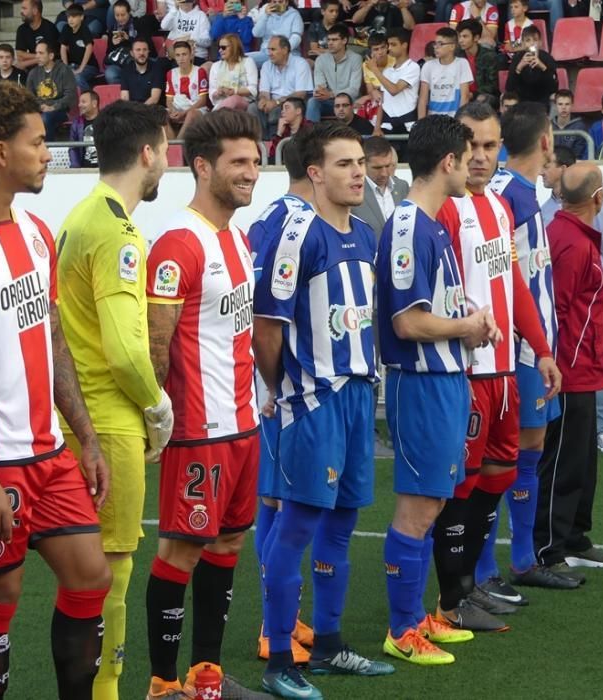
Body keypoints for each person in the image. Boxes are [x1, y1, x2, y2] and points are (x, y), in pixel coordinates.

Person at [0, 80, 112, 700]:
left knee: (89, 577)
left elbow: (54, 342)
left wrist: (86, 438)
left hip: (49, 453)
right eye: (37, 142)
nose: (48, 153)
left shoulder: (38, 232)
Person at [254, 122, 396, 700]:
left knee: (340, 527)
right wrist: (284, 387)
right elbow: (266, 328)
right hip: (312, 401)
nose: (358, 172)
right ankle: (280, 658)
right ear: (315, 172)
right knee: (296, 528)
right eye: (344, 164)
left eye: (360, 161)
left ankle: (331, 643)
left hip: (360, 396)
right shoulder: (297, 234)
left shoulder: (364, 233)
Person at [144, 109, 266, 700]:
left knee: (228, 543)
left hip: (243, 425)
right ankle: (164, 685)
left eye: (255, 159)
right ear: (201, 166)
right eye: (238, 162)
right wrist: (160, 422)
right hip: (198, 430)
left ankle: (206, 677)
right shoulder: (178, 244)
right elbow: (155, 343)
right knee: (181, 549)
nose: (251, 171)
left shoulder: (237, 238)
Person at [57, 99, 172, 700]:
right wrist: (158, 406)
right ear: (147, 153)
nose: (165, 167)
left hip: (77, 414)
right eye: (165, 153)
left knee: (85, 573)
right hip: (112, 420)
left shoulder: (80, 214)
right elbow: (126, 350)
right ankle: (105, 691)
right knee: (112, 573)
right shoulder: (117, 230)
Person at [433, 101, 561, 631]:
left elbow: (515, 288)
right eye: (472, 144)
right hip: (465, 372)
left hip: (505, 371)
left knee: (499, 475)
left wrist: (543, 349)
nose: (480, 156)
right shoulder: (444, 209)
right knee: (460, 485)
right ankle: (453, 595)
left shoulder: (500, 208)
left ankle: (476, 580)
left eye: (490, 145)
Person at [378, 114, 495, 667]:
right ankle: (401, 629)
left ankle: (418, 615)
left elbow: (436, 309)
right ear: (447, 162)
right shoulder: (408, 227)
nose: (474, 163)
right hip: (422, 385)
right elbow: (408, 323)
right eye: (468, 154)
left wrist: (472, 316)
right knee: (419, 507)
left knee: (434, 501)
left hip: (447, 381)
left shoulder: (433, 225)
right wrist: (466, 329)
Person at [480, 103, 582, 594]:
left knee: (526, 452)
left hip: (531, 350)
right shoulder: (508, 199)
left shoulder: (523, 195)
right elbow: (504, 284)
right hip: (514, 354)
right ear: (545, 142)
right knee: (503, 456)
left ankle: (520, 560)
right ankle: (491, 568)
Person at [247, 138, 315, 668]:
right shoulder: (292, 224)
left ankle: (284, 617)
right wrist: (270, 384)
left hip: (278, 381)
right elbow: (266, 316)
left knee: (279, 498)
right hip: (281, 384)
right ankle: (273, 628)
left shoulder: (271, 217)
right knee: (275, 500)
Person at [534, 162, 603, 576]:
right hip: (571, 370)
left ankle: (575, 537)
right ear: (598, 197)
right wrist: (563, 366)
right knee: (564, 460)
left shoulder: (573, 236)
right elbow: (560, 312)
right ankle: (551, 546)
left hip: (584, 366)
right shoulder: (572, 242)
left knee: (583, 460)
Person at [252, 34, 313, 140]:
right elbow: (264, 91)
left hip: (293, 103)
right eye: (269, 50)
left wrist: (276, 103)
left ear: (285, 50)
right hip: (272, 102)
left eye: (273, 49)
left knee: (278, 111)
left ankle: (274, 143)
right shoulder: (266, 65)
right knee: (252, 108)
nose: (269, 53)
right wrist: (263, 100)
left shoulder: (300, 64)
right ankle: (263, 143)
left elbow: (301, 94)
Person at [352, 136, 407, 239]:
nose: (384, 173)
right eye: (377, 168)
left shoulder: (402, 187)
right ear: (363, 164)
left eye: (388, 166)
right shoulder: (353, 191)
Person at [371, 27, 419, 143]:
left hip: (408, 124)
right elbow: (383, 101)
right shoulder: (387, 71)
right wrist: (377, 127)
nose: (390, 48)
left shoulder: (413, 67)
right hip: (387, 125)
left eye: (393, 44)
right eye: (389, 44)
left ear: (404, 45)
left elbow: (394, 90)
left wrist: (375, 70)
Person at [308, 24, 363, 122]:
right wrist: (319, 93)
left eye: (334, 40)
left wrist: (331, 94)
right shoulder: (320, 60)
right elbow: (320, 87)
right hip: (330, 103)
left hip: (349, 103)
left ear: (344, 41)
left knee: (348, 104)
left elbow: (354, 90)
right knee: (313, 101)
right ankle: (312, 135)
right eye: (328, 40)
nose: (330, 43)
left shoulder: (356, 59)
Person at [418, 27, 472, 118]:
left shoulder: (462, 64)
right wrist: (420, 124)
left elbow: (465, 96)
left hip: (454, 118)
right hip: (433, 119)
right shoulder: (428, 66)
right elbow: (423, 99)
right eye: (435, 44)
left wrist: (460, 121)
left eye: (441, 44)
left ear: (452, 47)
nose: (436, 47)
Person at [26, 41, 76, 140]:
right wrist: (40, 106)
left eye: (41, 53)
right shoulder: (33, 73)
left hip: (60, 110)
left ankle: (48, 149)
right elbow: (29, 96)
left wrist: (53, 107)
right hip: (40, 109)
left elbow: (70, 96)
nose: (37, 56)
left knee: (45, 118)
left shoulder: (64, 70)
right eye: (36, 53)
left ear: (51, 55)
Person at [505, 25, 557, 109]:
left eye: (535, 40)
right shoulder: (517, 58)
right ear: (523, 43)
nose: (532, 43)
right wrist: (519, 68)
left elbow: (554, 88)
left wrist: (543, 67)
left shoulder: (547, 58)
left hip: (542, 101)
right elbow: (509, 88)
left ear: (540, 42)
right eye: (528, 40)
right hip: (521, 101)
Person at [165, 40, 209, 137]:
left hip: (196, 109)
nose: (181, 58)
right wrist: (172, 111)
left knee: (191, 114)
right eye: (178, 55)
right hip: (177, 108)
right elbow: (169, 100)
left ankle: (178, 143)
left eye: (184, 54)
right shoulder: (171, 73)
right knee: (160, 113)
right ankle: (172, 142)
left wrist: (184, 113)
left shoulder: (199, 71)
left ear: (190, 55)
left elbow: (203, 100)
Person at [209, 32, 257, 110]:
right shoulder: (216, 66)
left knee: (233, 100)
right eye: (219, 48)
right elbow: (212, 90)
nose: (220, 50)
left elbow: (253, 89)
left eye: (223, 47)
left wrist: (234, 91)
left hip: (243, 101)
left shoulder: (248, 62)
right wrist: (218, 92)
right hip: (222, 101)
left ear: (234, 47)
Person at [249, 0, 304, 67]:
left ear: (286, 3)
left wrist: (282, 50)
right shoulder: (266, 14)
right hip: (266, 53)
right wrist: (265, 16)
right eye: (274, 2)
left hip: (288, 53)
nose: (277, 4)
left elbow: (296, 37)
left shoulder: (295, 15)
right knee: (243, 60)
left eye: (280, 2)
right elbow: (256, 33)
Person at [456, 19, 497, 104]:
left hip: (482, 95)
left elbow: (492, 85)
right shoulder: (457, 55)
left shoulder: (489, 56)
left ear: (476, 38)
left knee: (482, 99)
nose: (460, 40)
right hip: (461, 94)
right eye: (459, 36)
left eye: (465, 36)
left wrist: (472, 94)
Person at [60, 3, 99, 90]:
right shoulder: (66, 28)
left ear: (81, 17)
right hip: (72, 65)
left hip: (89, 66)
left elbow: (89, 48)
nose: (70, 20)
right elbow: (63, 48)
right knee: (59, 75)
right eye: (69, 17)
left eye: (73, 17)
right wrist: (66, 67)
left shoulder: (84, 29)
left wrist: (81, 68)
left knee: (77, 77)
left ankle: (87, 97)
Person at [15, 0, 60, 69]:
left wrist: (25, 63)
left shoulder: (50, 28)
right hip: (34, 65)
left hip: (51, 66)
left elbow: (50, 57)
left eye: (24, 8)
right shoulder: (22, 29)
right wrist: (39, 56)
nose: (21, 12)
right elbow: (19, 55)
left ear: (35, 11)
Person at [120, 36, 164, 104]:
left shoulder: (157, 69)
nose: (142, 53)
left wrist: (140, 112)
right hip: (132, 110)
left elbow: (154, 98)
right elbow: (124, 97)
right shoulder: (126, 70)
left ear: (148, 52)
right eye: (138, 50)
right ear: (132, 53)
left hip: (151, 110)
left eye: (144, 50)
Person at [350, 0, 417, 44]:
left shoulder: (395, 10)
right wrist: (370, 4)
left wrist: (403, 7)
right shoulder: (368, 9)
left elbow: (410, 26)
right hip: (367, 44)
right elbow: (355, 20)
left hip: (387, 46)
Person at [269, 95, 311, 160]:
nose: (282, 111)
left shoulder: (310, 128)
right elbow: (273, 154)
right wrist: (279, 133)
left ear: (298, 111)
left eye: (287, 108)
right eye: (282, 109)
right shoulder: (284, 129)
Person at [551, 89, 588, 159]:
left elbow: (578, 154)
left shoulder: (580, 127)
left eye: (567, 104)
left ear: (572, 105)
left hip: (572, 166)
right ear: (555, 105)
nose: (563, 108)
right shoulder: (549, 125)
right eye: (560, 104)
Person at [68, 88, 100, 168]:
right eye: (79, 102)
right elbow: (73, 148)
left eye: (83, 102)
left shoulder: (106, 121)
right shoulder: (76, 123)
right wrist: (76, 169)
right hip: (84, 170)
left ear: (94, 104)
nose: (79, 105)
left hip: (104, 170)